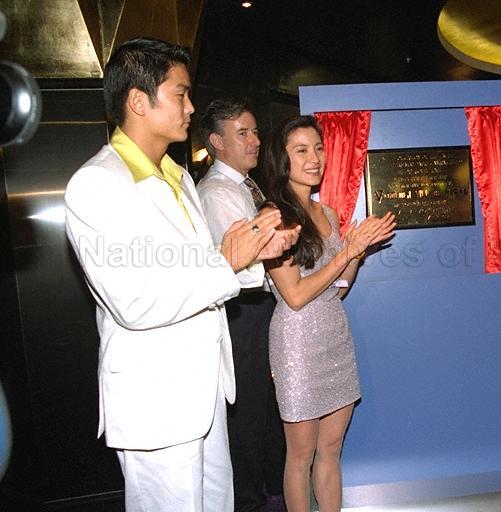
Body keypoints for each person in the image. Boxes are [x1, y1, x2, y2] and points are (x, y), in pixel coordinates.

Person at [64, 38, 293, 512]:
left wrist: (253, 256)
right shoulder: (97, 184)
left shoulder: (179, 176)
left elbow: (198, 268)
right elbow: (134, 301)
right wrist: (227, 261)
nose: (191, 108)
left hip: (204, 392)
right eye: (181, 94)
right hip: (157, 401)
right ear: (138, 101)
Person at [262, 116, 396, 512]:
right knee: (300, 456)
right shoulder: (274, 217)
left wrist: (357, 252)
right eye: (301, 150)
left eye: (318, 148)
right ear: (281, 158)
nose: (314, 158)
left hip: (334, 336)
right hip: (297, 345)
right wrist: (345, 254)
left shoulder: (329, 214)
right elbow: (295, 295)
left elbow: (339, 288)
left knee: (332, 448)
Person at [198, 98, 300, 512]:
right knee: (248, 413)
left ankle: (269, 491)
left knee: (263, 408)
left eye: (255, 131)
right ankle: (252, 500)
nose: (255, 141)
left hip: (257, 308)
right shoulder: (218, 192)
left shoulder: (245, 186)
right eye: (243, 133)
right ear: (217, 141)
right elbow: (240, 266)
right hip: (241, 311)